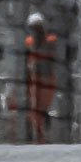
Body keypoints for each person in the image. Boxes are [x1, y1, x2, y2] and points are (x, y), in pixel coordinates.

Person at [23, 12, 57, 143]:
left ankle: (44, 133)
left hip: (47, 79)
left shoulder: (51, 41)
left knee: (43, 107)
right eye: (33, 28)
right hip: (32, 80)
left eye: (38, 27)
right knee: (33, 107)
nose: (36, 31)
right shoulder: (28, 42)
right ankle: (37, 135)